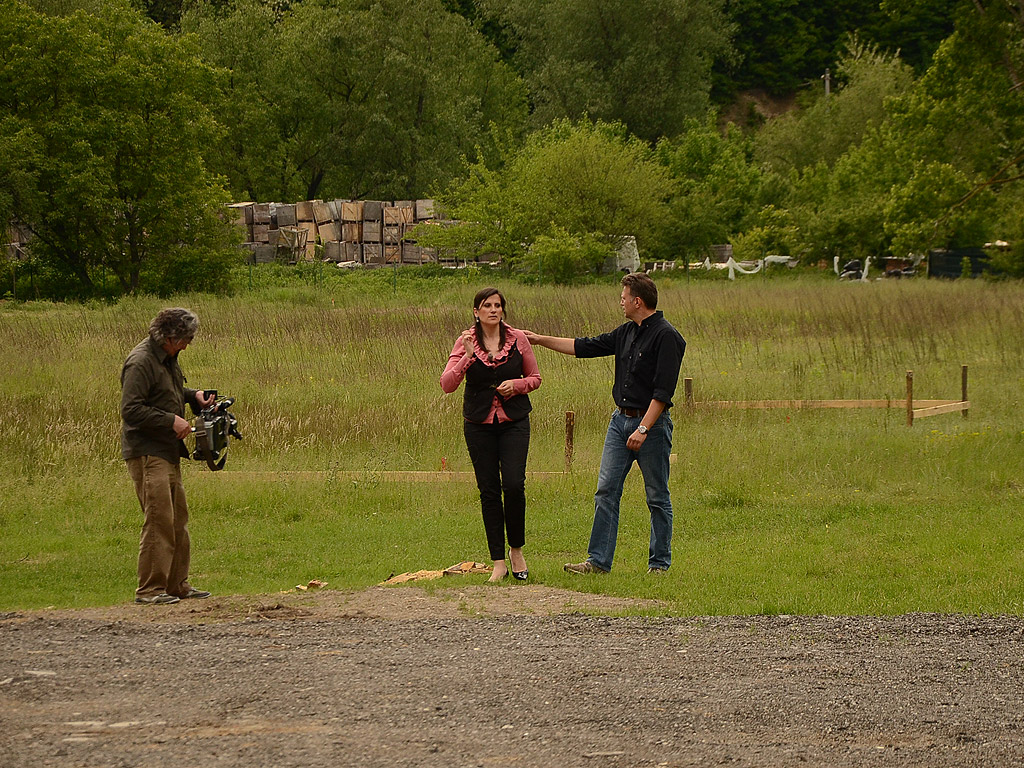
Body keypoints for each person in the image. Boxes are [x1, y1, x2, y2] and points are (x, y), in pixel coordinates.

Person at [524, 273, 685, 574]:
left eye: (623, 297)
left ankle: (659, 565)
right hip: (618, 423)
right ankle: (598, 562)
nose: (620, 302)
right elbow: (584, 346)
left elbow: (663, 393)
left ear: (637, 301)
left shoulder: (667, 337)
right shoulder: (626, 332)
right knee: (606, 491)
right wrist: (538, 339)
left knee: (657, 496)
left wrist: (643, 429)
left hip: (650, 426)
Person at [441, 288, 542, 582]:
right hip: (478, 423)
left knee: (513, 484)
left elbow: (535, 377)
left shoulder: (517, 339)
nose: (493, 310)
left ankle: (516, 550)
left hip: (514, 421)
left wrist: (517, 385)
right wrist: (468, 358)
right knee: (488, 491)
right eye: (487, 305)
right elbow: (447, 384)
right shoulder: (466, 341)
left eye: (498, 305)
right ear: (476, 311)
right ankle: (498, 561)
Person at [121, 308, 215, 604]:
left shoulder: (167, 358)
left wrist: (192, 396)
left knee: (177, 519)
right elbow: (131, 409)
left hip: (168, 451)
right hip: (148, 453)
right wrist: (170, 420)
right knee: (158, 519)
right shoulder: (140, 362)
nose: (188, 344)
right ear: (170, 336)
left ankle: (177, 585)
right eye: (186, 339)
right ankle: (150, 589)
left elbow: (168, 392)